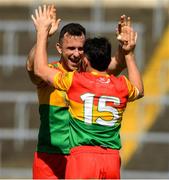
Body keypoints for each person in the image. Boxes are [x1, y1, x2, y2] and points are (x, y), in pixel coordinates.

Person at [32, 5, 144, 179]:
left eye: (81, 49)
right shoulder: (54, 71)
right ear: (59, 48)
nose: (76, 54)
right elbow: (33, 67)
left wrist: (41, 32)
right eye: (71, 49)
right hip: (52, 154)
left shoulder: (79, 78)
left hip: (80, 156)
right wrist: (128, 52)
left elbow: (116, 63)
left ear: (86, 56)